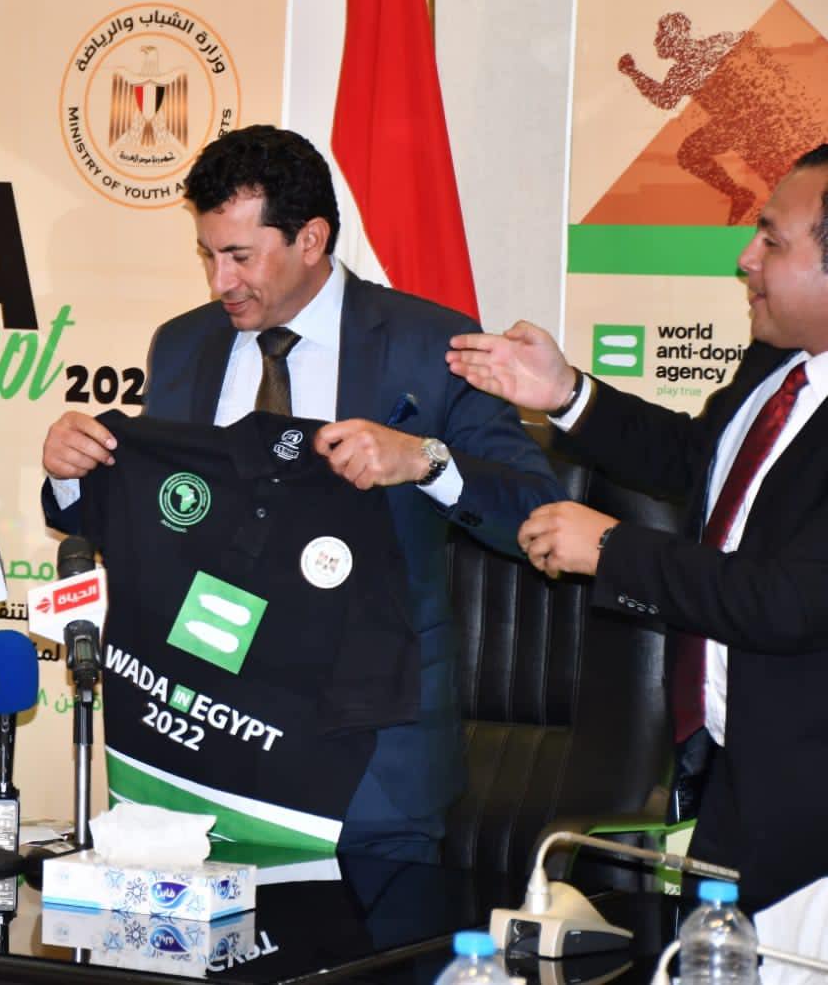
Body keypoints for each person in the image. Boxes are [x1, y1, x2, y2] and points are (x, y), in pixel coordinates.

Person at [42, 125, 562, 860]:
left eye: (239, 256)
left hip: (370, 762)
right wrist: (71, 477)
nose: (219, 282)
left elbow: (537, 514)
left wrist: (426, 460)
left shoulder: (429, 346)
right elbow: (160, 513)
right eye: (207, 255)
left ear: (311, 239)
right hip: (201, 739)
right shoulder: (182, 344)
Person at [447, 143, 828, 907]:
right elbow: (698, 462)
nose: (744, 259)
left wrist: (610, 549)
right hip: (732, 772)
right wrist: (565, 393)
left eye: (771, 240)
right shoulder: (777, 363)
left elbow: (788, 601)